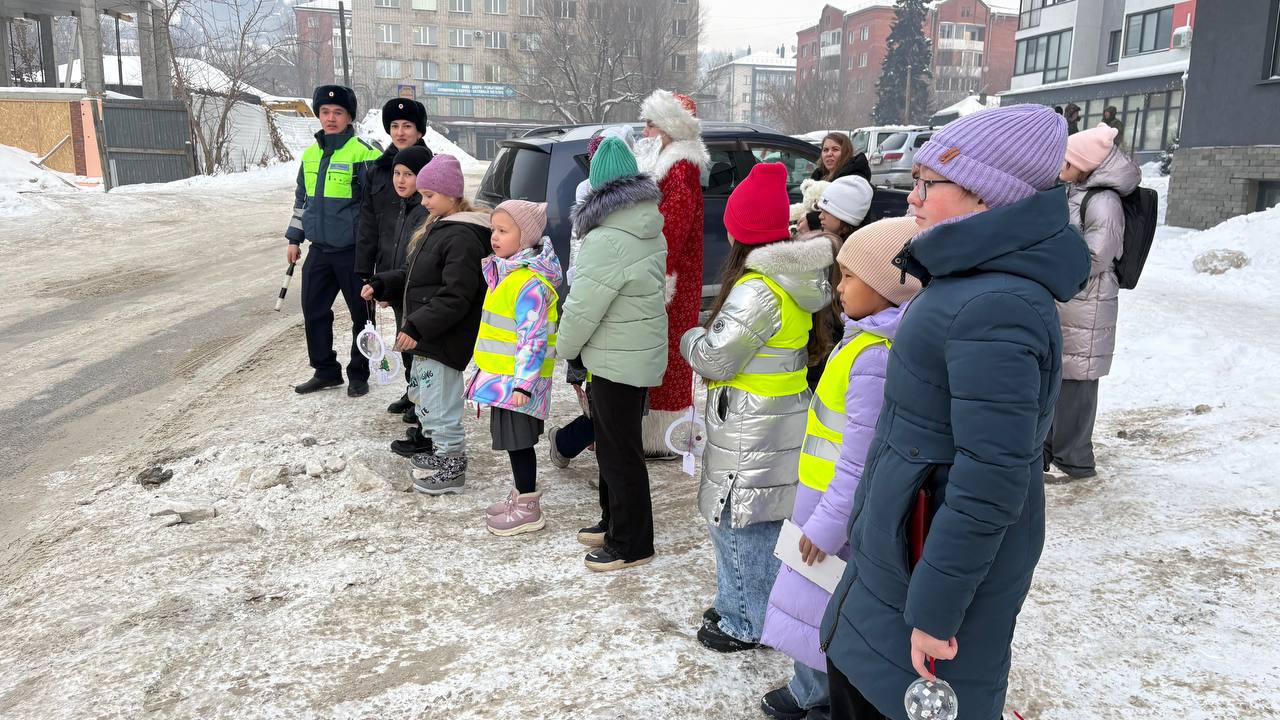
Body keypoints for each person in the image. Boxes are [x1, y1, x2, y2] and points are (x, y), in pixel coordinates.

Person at [819, 105, 1090, 720]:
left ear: (984, 198)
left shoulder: (998, 303)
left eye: (926, 183)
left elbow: (992, 475)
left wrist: (936, 610)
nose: (910, 199)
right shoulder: (965, 278)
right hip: (903, 556)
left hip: (930, 573)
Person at [759, 217, 922, 720]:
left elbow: (860, 455)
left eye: (849, 276)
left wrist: (827, 525)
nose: (838, 286)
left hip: (837, 513)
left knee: (825, 604)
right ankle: (815, 688)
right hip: (825, 502)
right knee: (816, 602)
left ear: (886, 285)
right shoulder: (863, 341)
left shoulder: (873, 356)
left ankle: (822, 695)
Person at [680, 162, 834, 653]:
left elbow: (715, 357)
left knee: (737, 519)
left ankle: (746, 619)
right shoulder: (794, 279)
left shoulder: (755, 290)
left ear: (738, 230)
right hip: (777, 414)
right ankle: (741, 600)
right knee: (760, 517)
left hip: (750, 419)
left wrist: (690, 338)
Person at [557, 136, 668, 572]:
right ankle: (613, 521)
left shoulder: (607, 239)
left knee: (619, 452)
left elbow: (584, 305)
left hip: (615, 358)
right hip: (629, 355)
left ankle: (632, 542)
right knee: (612, 446)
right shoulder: (646, 225)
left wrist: (566, 348)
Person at [361, 154, 492, 495]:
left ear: (451, 195)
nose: (423, 201)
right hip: (430, 337)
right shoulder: (439, 226)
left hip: (444, 338)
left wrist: (416, 326)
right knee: (426, 400)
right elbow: (417, 277)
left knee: (441, 403)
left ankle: (452, 468)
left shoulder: (461, 236)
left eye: (429, 195)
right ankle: (440, 453)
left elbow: (455, 296)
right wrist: (383, 283)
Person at [1048, 123, 1140, 481]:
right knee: (1059, 380)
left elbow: (1098, 254)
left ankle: (1075, 461)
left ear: (1084, 164)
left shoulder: (1103, 200)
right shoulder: (1077, 191)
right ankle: (1053, 452)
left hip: (1088, 302)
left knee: (1078, 386)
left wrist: (1057, 265)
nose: (1060, 167)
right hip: (1070, 300)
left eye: (1066, 162)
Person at [468, 200, 563, 536]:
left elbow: (532, 339)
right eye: (493, 229)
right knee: (513, 443)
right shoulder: (506, 272)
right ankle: (520, 496)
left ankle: (528, 507)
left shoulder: (528, 283)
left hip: (518, 385)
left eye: (503, 231)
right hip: (503, 380)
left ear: (524, 237)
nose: (494, 237)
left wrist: (523, 384)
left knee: (519, 443)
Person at [287, 85, 384, 397]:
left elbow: (376, 205)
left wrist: (374, 249)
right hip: (320, 250)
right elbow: (302, 201)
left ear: (349, 117)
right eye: (325, 112)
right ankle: (326, 370)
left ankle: (359, 373)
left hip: (353, 252)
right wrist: (294, 238)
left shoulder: (364, 153)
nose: (330, 118)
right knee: (313, 309)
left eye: (338, 112)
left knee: (362, 315)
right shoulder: (311, 154)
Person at [550, 126, 637, 470]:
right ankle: (572, 440)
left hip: (613, 333)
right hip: (614, 333)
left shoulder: (615, 222)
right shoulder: (633, 218)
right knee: (606, 402)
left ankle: (572, 440)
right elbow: (581, 259)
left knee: (608, 404)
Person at [635, 90, 709, 458]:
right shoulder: (668, 161)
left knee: (666, 352)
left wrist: (661, 275)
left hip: (672, 278)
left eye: (651, 124)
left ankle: (664, 433)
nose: (645, 131)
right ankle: (659, 430)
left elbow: (672, 230)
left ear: (669, 127)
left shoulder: (679, 166)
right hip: (671, 272)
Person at [357, 98, 432, 420]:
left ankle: (422, 397)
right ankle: (411, 389)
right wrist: (368, 272)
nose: (401, 132)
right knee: (403, 332)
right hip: (391, 269)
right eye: (395, 126)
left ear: (419, 130)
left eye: (408, 126)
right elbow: (369, 224)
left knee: (418, 335)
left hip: (419, 272)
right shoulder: (378, 171)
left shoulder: (434, 174)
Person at [368, 145, 435, 459]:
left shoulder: (425, 210)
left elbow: (415, 259)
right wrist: (385, 285)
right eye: (397, 173)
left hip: (417, 294)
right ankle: (414, 398)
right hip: (400, 289)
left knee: (417, 353)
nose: (400, 179)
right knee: (406, 349)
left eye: (409, 174)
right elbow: (391, 249)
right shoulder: (400, 205)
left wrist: (391, 284)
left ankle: (425, 417)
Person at [802, 133, 872, 234]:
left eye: (835, 149)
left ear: (846, 152)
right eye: (825, 150)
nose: (829, 154)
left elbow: (841, 215)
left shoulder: (853, 181)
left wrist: (811, 221)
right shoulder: (818, 177)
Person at [815, 175, 875, 240]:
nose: (820, 216)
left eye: (827, 211)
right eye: (821, 210)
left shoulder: (854, 248)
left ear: (846, 217)